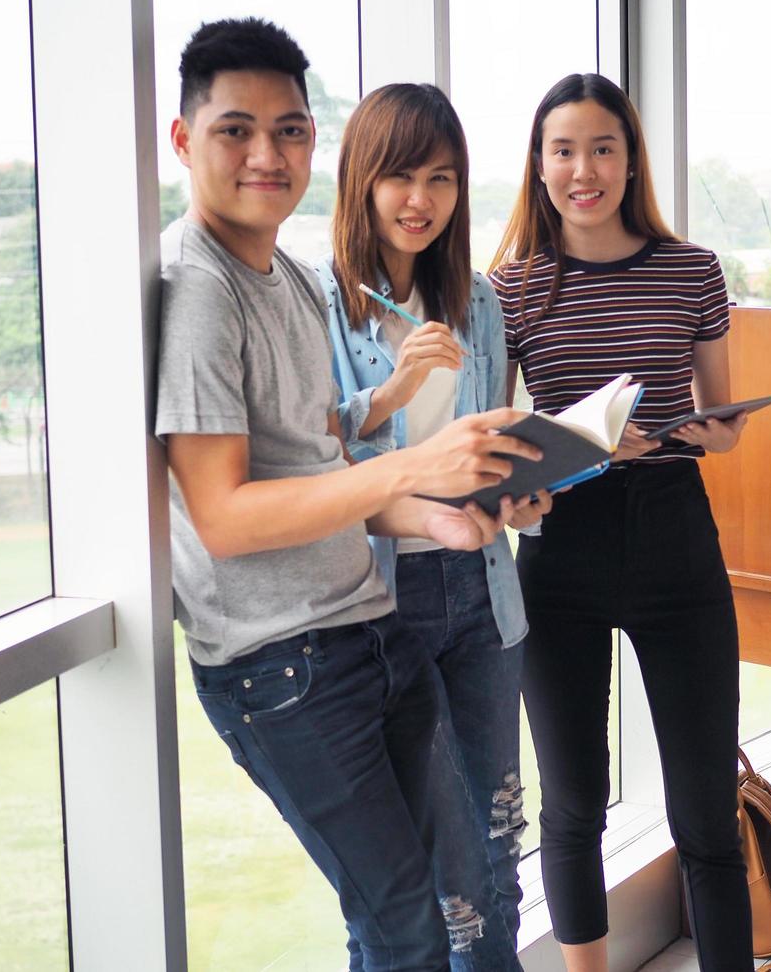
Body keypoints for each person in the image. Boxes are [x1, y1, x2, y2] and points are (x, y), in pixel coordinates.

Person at [155, 19, 538, 971]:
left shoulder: (276, 271)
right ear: (182, 141)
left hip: (360, 625)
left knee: (474, 873)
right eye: (235, 130)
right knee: (410, 922)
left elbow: (324, 458)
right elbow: (225, 516)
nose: (265, 154)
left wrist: (455, 513)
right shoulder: (205, 289)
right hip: (283, 661)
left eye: (288, 130)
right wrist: (411, 467)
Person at [489, 72, 754, 972]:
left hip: (676, 532)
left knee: (704, 807)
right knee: (571, 803)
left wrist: (712, 435)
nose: (583, 169)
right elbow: (497, 445)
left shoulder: (692, 270)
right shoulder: (511, 288)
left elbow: (720, 427)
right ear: (539, 163)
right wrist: (583, 446)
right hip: (562, 539)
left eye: (602, 147)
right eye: (562, 149)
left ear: (631, 158)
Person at [316, 83, 549, 970]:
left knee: (494, 845)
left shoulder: (478, 300)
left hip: (484, 587)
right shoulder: (321, 300)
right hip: (379, 598)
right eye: (401, 176)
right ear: (363, 181)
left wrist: (518, 496)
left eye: (442, 178)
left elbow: (484, 440)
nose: (421, 200)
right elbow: (309, 449)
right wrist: (392, 392)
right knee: (408, 874)